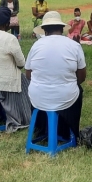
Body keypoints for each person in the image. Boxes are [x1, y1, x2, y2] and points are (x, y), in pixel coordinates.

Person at [25, 11, 86, 140]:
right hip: (67, 96)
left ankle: (41, 129)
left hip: (38, 96)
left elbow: (28, 75)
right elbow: (81, 77)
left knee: (36, 89)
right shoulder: (74, 45)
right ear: (62, 28)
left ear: (44, 30)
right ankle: (67, 131)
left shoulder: (36, 45)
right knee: (78, 90)